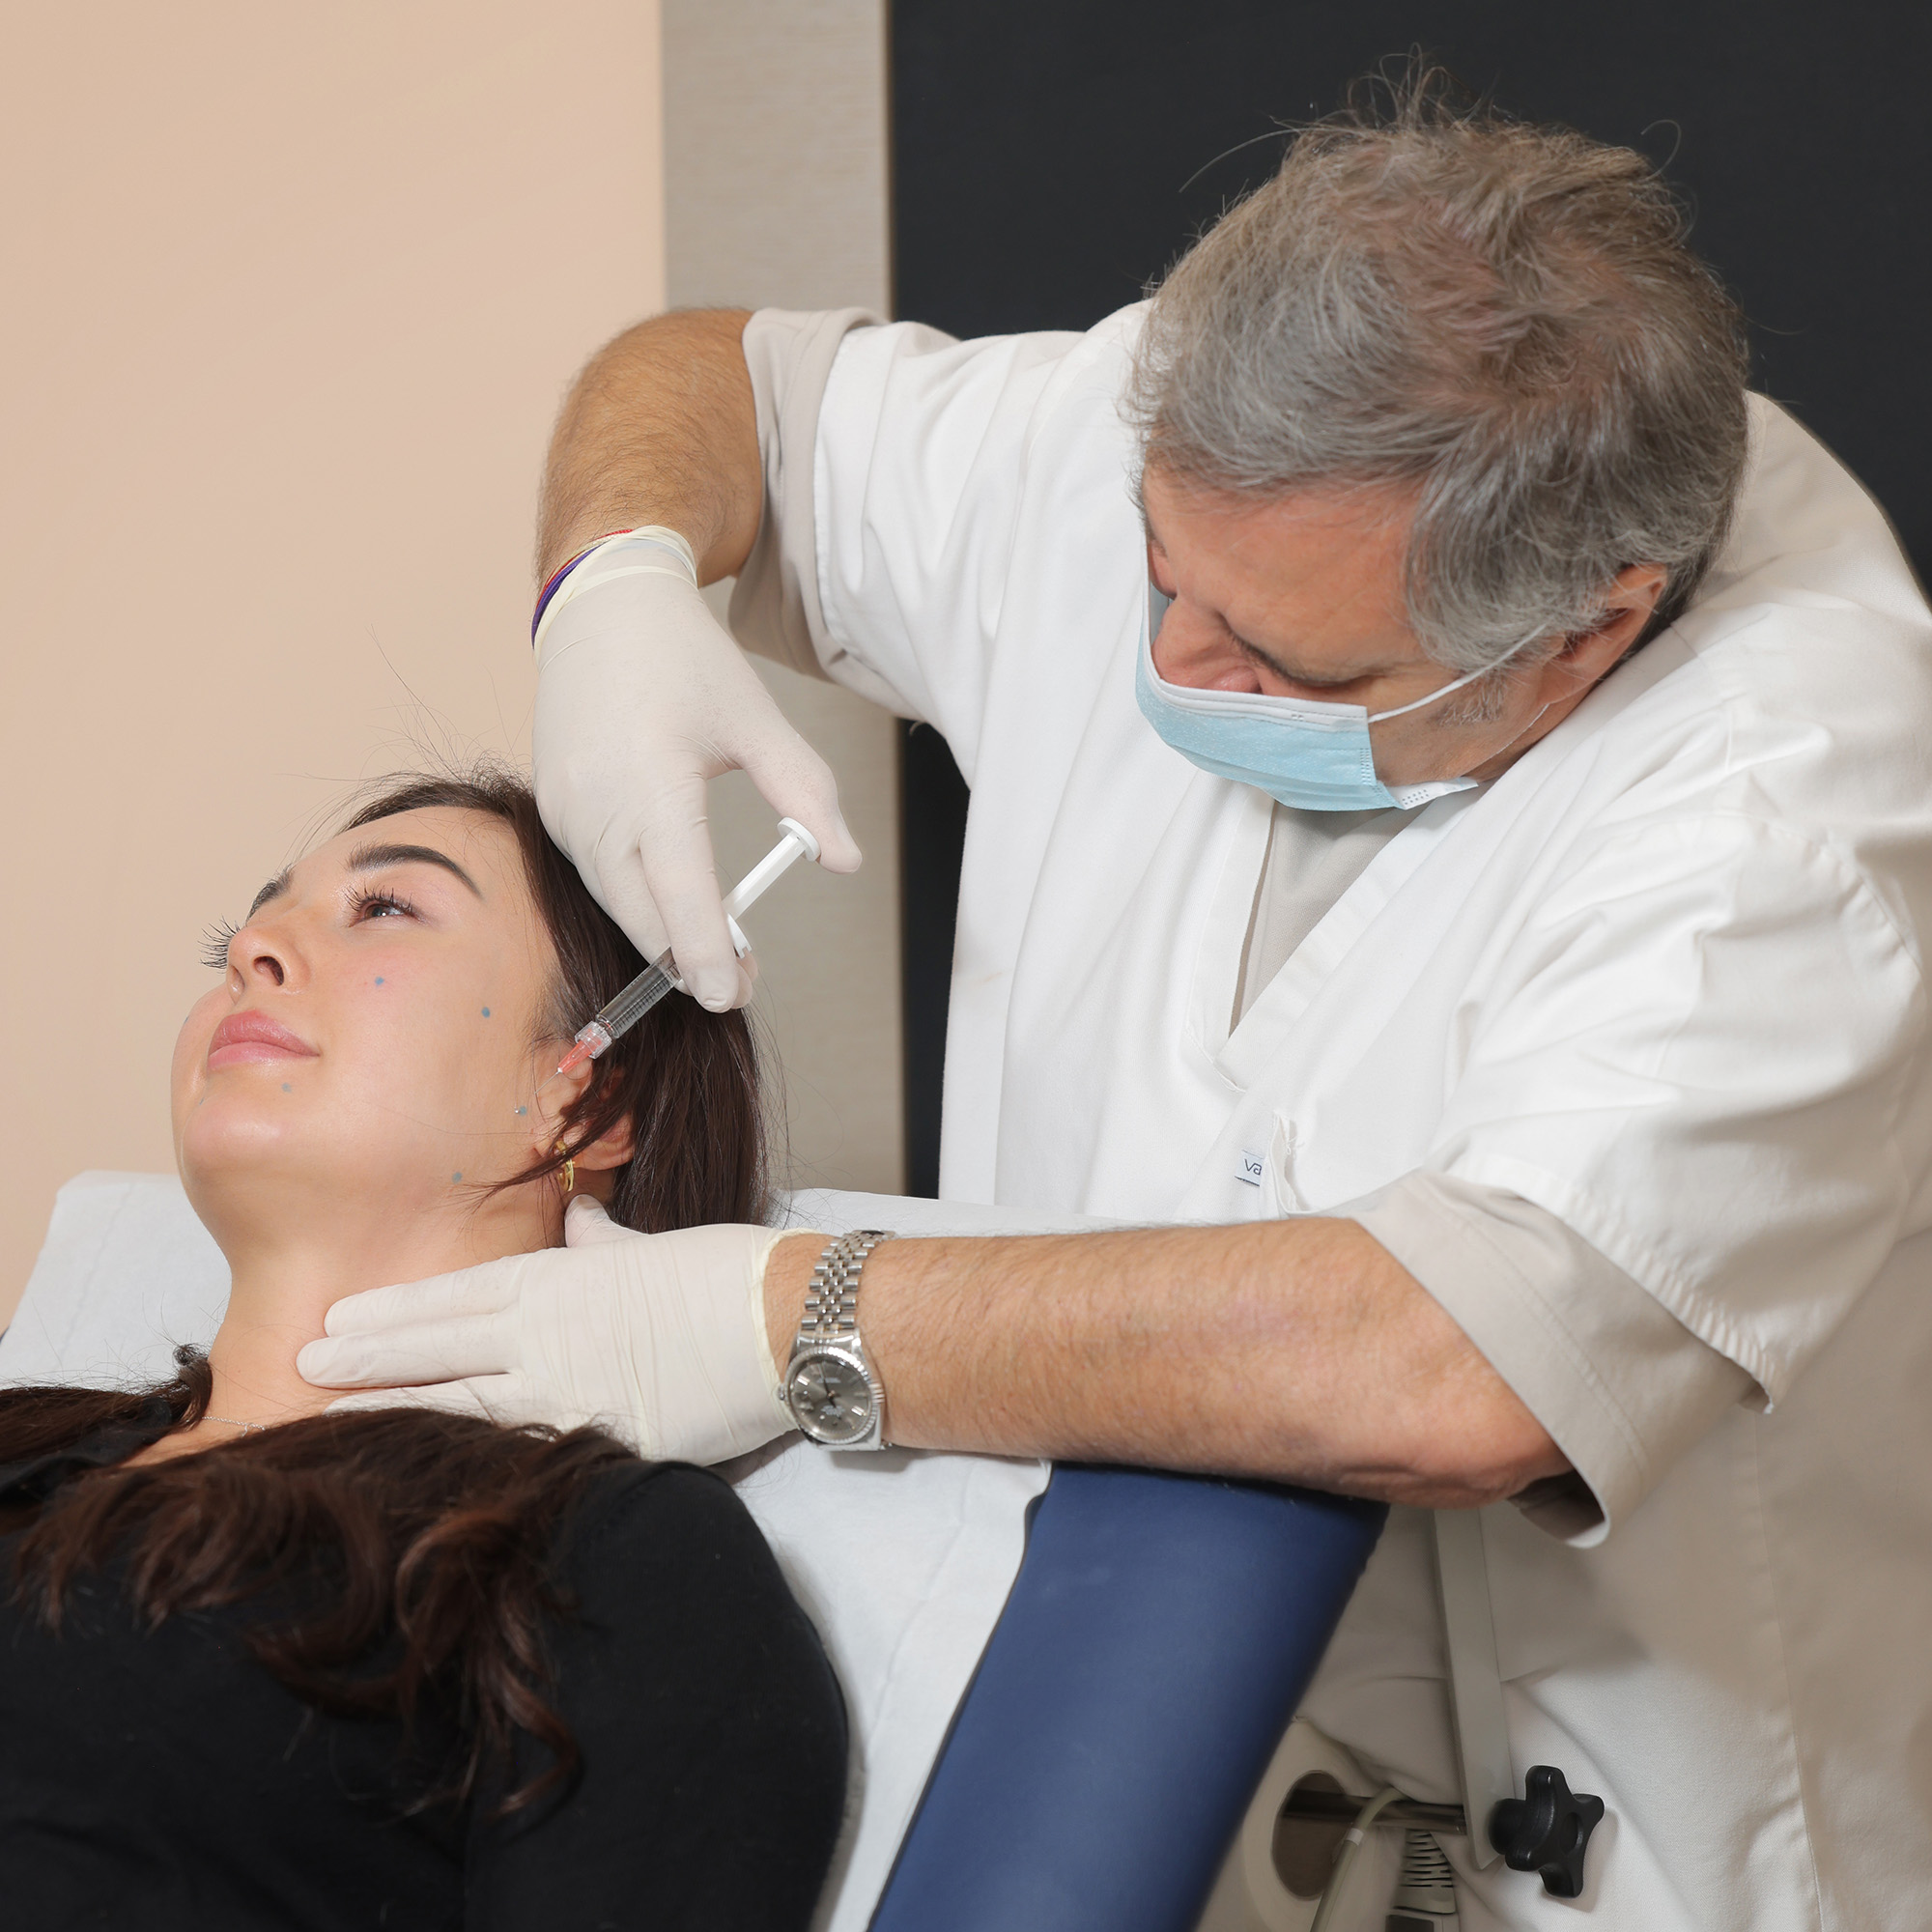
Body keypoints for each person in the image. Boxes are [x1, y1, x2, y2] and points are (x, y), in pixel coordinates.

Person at [299, 80, 1932, 1926]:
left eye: (1279, 657)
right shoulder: (1180, 423)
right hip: (1121, 1762)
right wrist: (613, 583)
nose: (1169, 658)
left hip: (1603, 1847)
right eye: (1158, 571)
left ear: (1588, 629)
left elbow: (1456, 1366)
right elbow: (712, 383)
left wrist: (785, 1316)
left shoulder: (1794, 801)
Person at [0, 769, 847, 1929]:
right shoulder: (31, 1431)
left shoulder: (600, 1562)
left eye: (385, 907)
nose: (248, 947)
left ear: (589, 1101)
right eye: (236, 931)